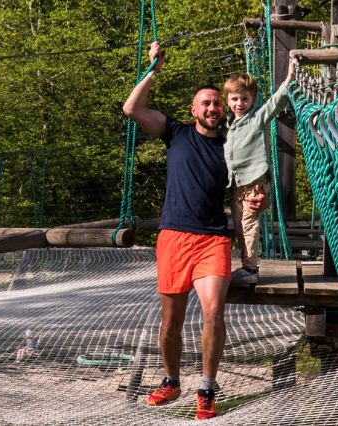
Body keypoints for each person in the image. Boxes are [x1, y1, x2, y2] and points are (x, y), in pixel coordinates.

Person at [122, 42, 266, 420]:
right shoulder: (175, 132)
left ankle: (206, 387)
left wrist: (258, 201)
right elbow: (131, 109)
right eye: (206, 103)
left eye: (217, 103)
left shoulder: (233, 145)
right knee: (171, 322)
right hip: (174, 237)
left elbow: (251, 192)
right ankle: (171, 380)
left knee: (213, 313)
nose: (213, 108)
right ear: (194, 110)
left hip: (214, 239)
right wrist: (153, 70)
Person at [223, 57, 298, 284]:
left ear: (253, 100)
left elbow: (275, 103)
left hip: (254, 182)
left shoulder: (257, 118)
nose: (239, 103)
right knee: (239, 224)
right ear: (227, 100)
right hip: (235, 183)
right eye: (235, 99)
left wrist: (289, 78)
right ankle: (247, 264)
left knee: (248, 223)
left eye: (244, 99)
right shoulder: (227, 125)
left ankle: (250, 269)